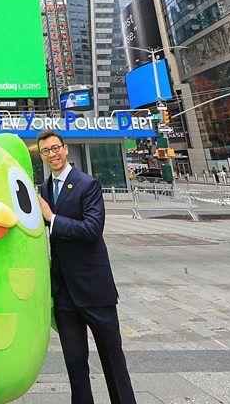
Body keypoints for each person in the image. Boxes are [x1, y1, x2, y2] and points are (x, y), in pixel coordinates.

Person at [37, 129, 135, 404]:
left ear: (65, 149)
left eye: (56, 148)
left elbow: (92, 229)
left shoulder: (87, 184)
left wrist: (52, 218)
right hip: (65, 293)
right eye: (46, 151)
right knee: (75, 363)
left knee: (113, 359)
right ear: (42, 155)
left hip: (94, 289)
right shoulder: (45, 189)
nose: (52, 154)